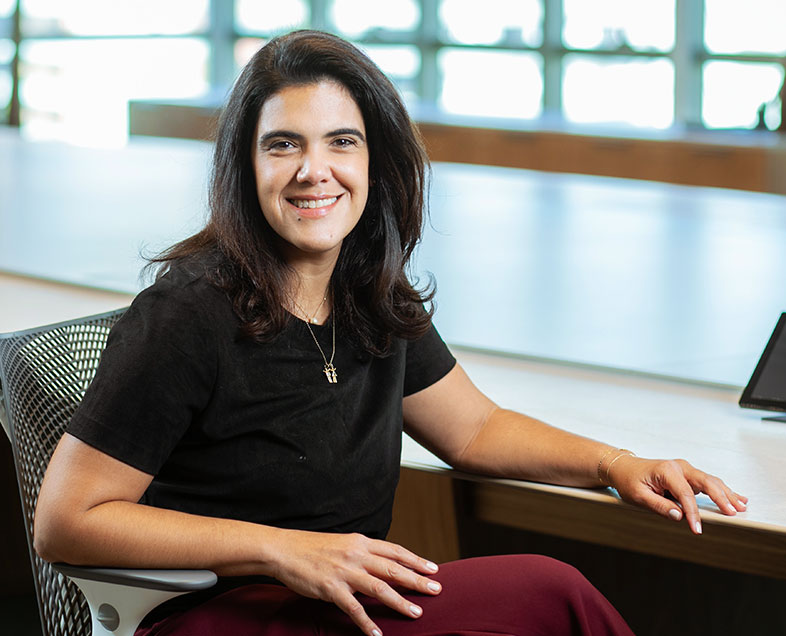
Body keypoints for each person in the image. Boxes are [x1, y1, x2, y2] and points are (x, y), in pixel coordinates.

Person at [33, 30, 747, 636]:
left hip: (338, 602)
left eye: (341, 141)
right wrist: (284, 551)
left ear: (375, 160)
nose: (315, 171)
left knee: (544, 598)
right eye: (282, 145)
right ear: (244, 167)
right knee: (554, 596)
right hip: (221, 610)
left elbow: (474, 430)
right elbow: (65, 521)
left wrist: (615, 465)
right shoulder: (187, 314)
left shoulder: (368, 293)